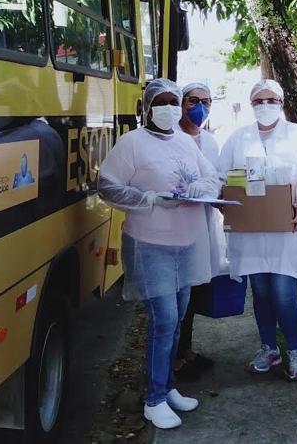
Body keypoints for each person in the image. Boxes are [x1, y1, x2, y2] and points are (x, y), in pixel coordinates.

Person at [98, 78, 222, 430]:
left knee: (178, 317)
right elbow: (106, 186)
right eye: (161, 102)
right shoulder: (132, 143)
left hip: (187, 243)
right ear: (148, 107)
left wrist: (201, 186)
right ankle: (153, 399)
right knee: (164, 318)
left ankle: (167, 387)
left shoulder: (185, 141)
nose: (169, 108)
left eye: (174, 101)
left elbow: (211, 177)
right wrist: (149, 199)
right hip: (151, 245)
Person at [217, 80, 297, 380]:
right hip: (250, 233)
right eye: (259, 101)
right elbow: (220, 177)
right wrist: (222, 200)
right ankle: (269, 349)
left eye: (271, 100)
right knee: (261, 293)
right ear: (251, 105)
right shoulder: (237, 138)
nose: (265, 106)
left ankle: (296, 352)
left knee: (284, 294)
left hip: (287, 230)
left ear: (281, 103)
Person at [172, 81, 221, 382]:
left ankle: (186, 349)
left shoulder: (211, 141)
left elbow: (216, 178)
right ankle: (175, 359)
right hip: (178, 224)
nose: (199, 107)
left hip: (205, 222)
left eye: (206, 101)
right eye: (192, 101)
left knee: (196, 288)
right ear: (181, 104)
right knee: (180, 292)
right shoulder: (171, 139)